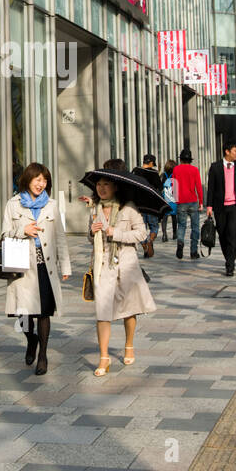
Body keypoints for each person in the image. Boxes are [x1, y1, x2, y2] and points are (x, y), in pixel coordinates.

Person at [2, 162, 72, 375]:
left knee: (43, 313)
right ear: (28, 179)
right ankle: (31, 340)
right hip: (21, 265)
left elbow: (60, 237)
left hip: (44, 265)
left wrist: (66, 265)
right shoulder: (13, 204)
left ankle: (43, 355)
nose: (41, 184)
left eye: (44, 180)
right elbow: (4, 235)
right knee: (22, 314)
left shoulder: (51, 206)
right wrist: (23, 230)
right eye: (37, 179)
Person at [88, 165, 156, 376]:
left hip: (126, 264)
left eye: (106, 184)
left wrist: (115, 232)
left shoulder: (129, 208)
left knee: (129, 308)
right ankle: (104, 357)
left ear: (115, 187)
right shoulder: (94, 209)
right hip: (102, 265)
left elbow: (141, 234)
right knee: (102, 311)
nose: (101, 188)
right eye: (99, 184)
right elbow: (91, 238)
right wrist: (91, 232)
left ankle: (128, 345)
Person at [206, 140, 236, 277]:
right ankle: (229, 256)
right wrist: (209, 206)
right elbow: (211, 188)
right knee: (222, 234)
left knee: (232, 233)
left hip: (234, 207)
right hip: (219, 207)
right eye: (235, 151)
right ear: (227, 151)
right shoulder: (215, 167)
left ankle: (230, 264)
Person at [173, 148, 204, 259]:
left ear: (181, 159)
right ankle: (193, 251)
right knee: (195, 227)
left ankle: (180, 242)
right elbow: (199, 187)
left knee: (181, 226)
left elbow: (174, 186)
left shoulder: (176, 170)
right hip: (192, 201)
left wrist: (176, 199)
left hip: (181, 202)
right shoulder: (195, 170)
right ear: (190, 160)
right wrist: (201, 202)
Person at [132, 153, 164, 257]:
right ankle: (150, 241)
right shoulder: (154, 173)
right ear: (151, 163)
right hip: (152, 205)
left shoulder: (136, 171)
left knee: (140, 228)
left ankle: (145, 245)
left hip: (139, 205)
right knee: (154, 227)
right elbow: (160, 188)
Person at [162, 160, 178, 242]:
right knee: (174, 217)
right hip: (173, 199)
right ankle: (175, 234)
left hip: (165, 199)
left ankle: (164, 235)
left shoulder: (163, 175)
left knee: (164, 217)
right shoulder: (175, 175)